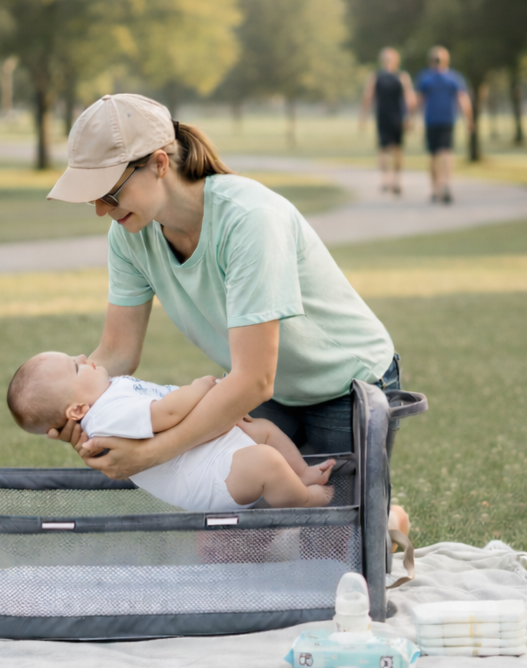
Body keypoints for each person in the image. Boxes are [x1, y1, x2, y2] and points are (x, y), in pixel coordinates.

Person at [43, 93, 400, 482]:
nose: (100, 209)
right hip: (270, 392)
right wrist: (75, 403)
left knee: (334, 534)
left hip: (346, 385)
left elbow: (253, 378)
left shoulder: (250, 219)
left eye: (108, 192)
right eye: (92, 197)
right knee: (233, 536)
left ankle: (385, 518)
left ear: (159, 164)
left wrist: (151, 453)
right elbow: (117, 352)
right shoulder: (129, 233)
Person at [7, 351, 337, 511]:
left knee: (264, 430)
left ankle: (303, 474)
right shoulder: (106, 417)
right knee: (266, 461)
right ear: (77, 410)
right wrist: (200, 388)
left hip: (208, 453)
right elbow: (166, 412)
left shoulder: (110, 391)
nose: (83, 356)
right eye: (75, 366)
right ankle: (305, 499)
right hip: (208, 478)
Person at [415, 46, 474, 204]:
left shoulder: (427, 77)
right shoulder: (453, 77)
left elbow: (417, 101)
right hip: (443, 120)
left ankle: (437, 188)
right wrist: (469, 119)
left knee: (435, 155)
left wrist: (410, 117)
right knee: (445, 153)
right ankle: (444, 185)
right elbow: (463, 100)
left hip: (438, 121)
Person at [359, 47, 416, 195]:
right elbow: (410, 98)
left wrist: (409, 117)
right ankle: (390, 180)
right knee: (389, 150)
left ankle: (391, 180)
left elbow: (408, 98)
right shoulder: (397, 76)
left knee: (390, 150)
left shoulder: (383, 76)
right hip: (389, 117)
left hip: (392, 117)